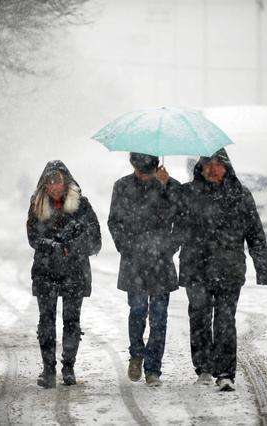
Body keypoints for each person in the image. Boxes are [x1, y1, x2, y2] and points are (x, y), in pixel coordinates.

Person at [175, 148, 267, 392]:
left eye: (218, 163)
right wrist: (166, 185)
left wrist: (263, 269)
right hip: (196, 268)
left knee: (225, 321)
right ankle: (204, 368)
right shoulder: (187, 194)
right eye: (207, 163)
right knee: (199, 318)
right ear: (200, 167)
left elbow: (255, 235)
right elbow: (173, 227)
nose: (212, 168)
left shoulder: (240, 195)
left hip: (229, 269)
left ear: (227, 166)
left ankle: (225, 373)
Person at [26, 160, 101, 388]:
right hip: (46, 271)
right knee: (46, 321)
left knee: (71, 321)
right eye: (49, 181)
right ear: (44, 184)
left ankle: (68, 368)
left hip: (74, 272)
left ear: (66, 181)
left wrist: (72, 247)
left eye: (57, 180)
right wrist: (52, 246)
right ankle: (48, 370)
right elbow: (33, 237)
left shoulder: (81, 206)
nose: (54, 186)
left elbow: (95, 241)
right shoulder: (37, 206)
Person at [108, 153, 180, 387]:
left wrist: (165, 186)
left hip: (161, 260)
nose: (142, 175)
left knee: (159, 317)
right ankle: (136, 354)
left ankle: (153, 368)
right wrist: (126, 247)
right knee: (137, 310)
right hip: (134, 260)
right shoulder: (122, 186)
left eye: (145, 171)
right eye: (138, 171)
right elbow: (114, 221)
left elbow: (180, 217)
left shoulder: (171, 186)